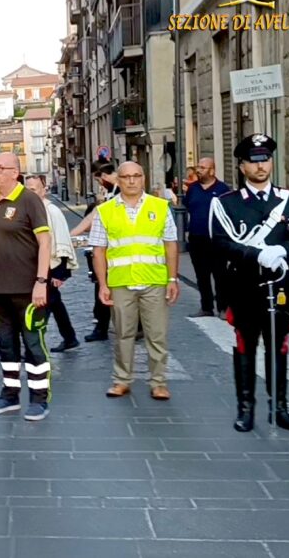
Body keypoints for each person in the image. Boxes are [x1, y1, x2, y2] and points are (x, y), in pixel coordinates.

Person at [210, 134, 289, 433]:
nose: (261, 166)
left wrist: (284, 250)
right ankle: (246, 408)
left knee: (278, 347)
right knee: (245, 346)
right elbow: (220, 243)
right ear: (242, 166)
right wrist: (257, 255)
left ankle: (280, 407)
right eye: (254, 161)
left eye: (265, 159)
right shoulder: (226, 203)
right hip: (244, 285)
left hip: (282, 286)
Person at [91, 162, 179, 401]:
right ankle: (121, 380)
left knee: (157, 334)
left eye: (136, 176)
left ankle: (159, 382)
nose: (131, 181)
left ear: (144, 178)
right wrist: (103, 284)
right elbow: (98, 250)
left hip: (154, 280)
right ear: (118, 180)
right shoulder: (105, 210)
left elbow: (171, 244)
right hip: (121, 282)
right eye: (126, 177)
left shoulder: (160, 207)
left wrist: (172, 278)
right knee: (122, 334)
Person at [0, 152, 53, 421]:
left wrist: (41, 282)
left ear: (14, 172)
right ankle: (9, 395)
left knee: (33, 344)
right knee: (6, 345)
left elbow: (45, 243)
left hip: (28, 288)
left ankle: (39, 399)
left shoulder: (29, 200)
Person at [26, 174, 79, 352]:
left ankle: (34, 347)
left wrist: (60, 273)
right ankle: (70, 337)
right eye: (27, 190)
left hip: (51, 266)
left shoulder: (52, 211)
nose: (30, 193)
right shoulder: (29, 209)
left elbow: (62, 240)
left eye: (33, 190)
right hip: (34, 265)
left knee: (44, 304)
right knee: (55, 303)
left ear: (43, 190)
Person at [70, 161, 119, 342]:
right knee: (104, 287)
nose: (100, 185)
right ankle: (103, 326)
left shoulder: (119, 194)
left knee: (104, 287)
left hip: (115, 253)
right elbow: (96, 215)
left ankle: (104, 328)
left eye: (100, 181)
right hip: (110, 251)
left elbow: (95, 216)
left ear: (105, 177)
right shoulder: (113, 192)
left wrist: (71, 235)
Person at [183, 157, 231, 319]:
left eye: (203, 168)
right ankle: (206, 307)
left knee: (220, 275)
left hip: (217, 239)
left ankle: (223, 308)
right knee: (201, 275)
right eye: (198, 167)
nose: (198, 170)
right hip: (197, 239)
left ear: (212, 171)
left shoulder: (223, 190)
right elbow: (188, 207)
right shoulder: (193, 189)